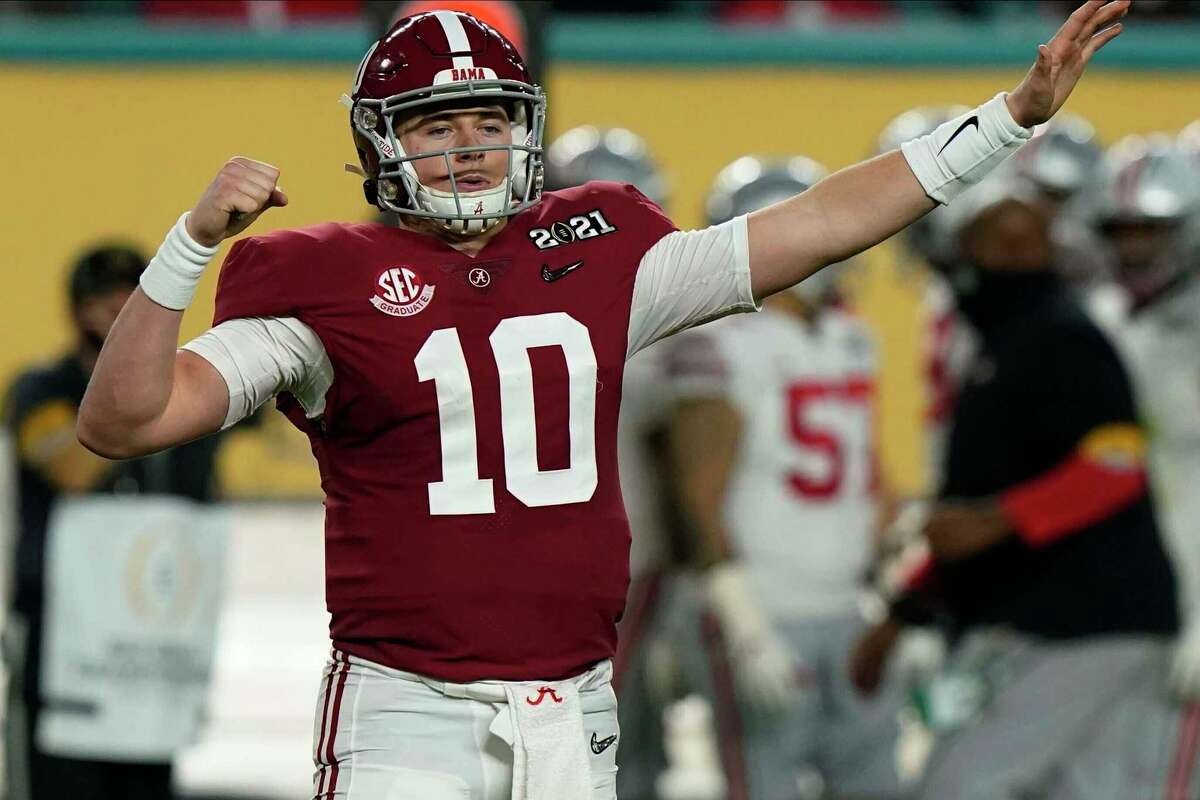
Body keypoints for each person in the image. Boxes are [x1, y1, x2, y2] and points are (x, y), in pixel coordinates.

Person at [76, 4, 1128, 797]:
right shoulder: (320, 279)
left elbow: (816, 224)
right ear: (379, 147)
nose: (469, 144)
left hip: (573, 699)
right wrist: (191, 244)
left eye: (488, 119)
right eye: (437, 124)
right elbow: (123, 420)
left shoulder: (600, 250)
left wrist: (1004, 123)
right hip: (408, 706)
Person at [850, 176, 1186, 799]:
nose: (1013, 259)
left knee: (957, 786)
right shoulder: (998, 344)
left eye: (1028, 244)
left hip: (1075, 623)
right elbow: (964, 522)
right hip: (1084, 621)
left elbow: (1115, 465)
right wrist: (905, 614)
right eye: (997, 242)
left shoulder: (1062, 336)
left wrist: (998, 519)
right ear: (960, 249)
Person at [664, 154, 906, 800]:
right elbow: (695, 490)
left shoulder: (851, 337)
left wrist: (897, 590)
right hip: (763, 609)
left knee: (874, 779)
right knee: (763, 785)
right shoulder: (716, 340)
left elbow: (869, 474)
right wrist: (741, 621)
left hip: (844, 601)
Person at [3, 246, 227, 800]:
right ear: (77, 311)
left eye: (133, 298)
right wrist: (144, 416)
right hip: (61, 637)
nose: (117, 310)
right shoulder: (42, 388)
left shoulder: (182, 386)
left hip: (148, 640)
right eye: (104, 301)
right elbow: (72, 468)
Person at [1086, 138, 1200, 705]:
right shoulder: (1099, 317)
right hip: (1121, 584)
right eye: (1122, 231)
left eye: (1151, 230)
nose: (1134, 249)